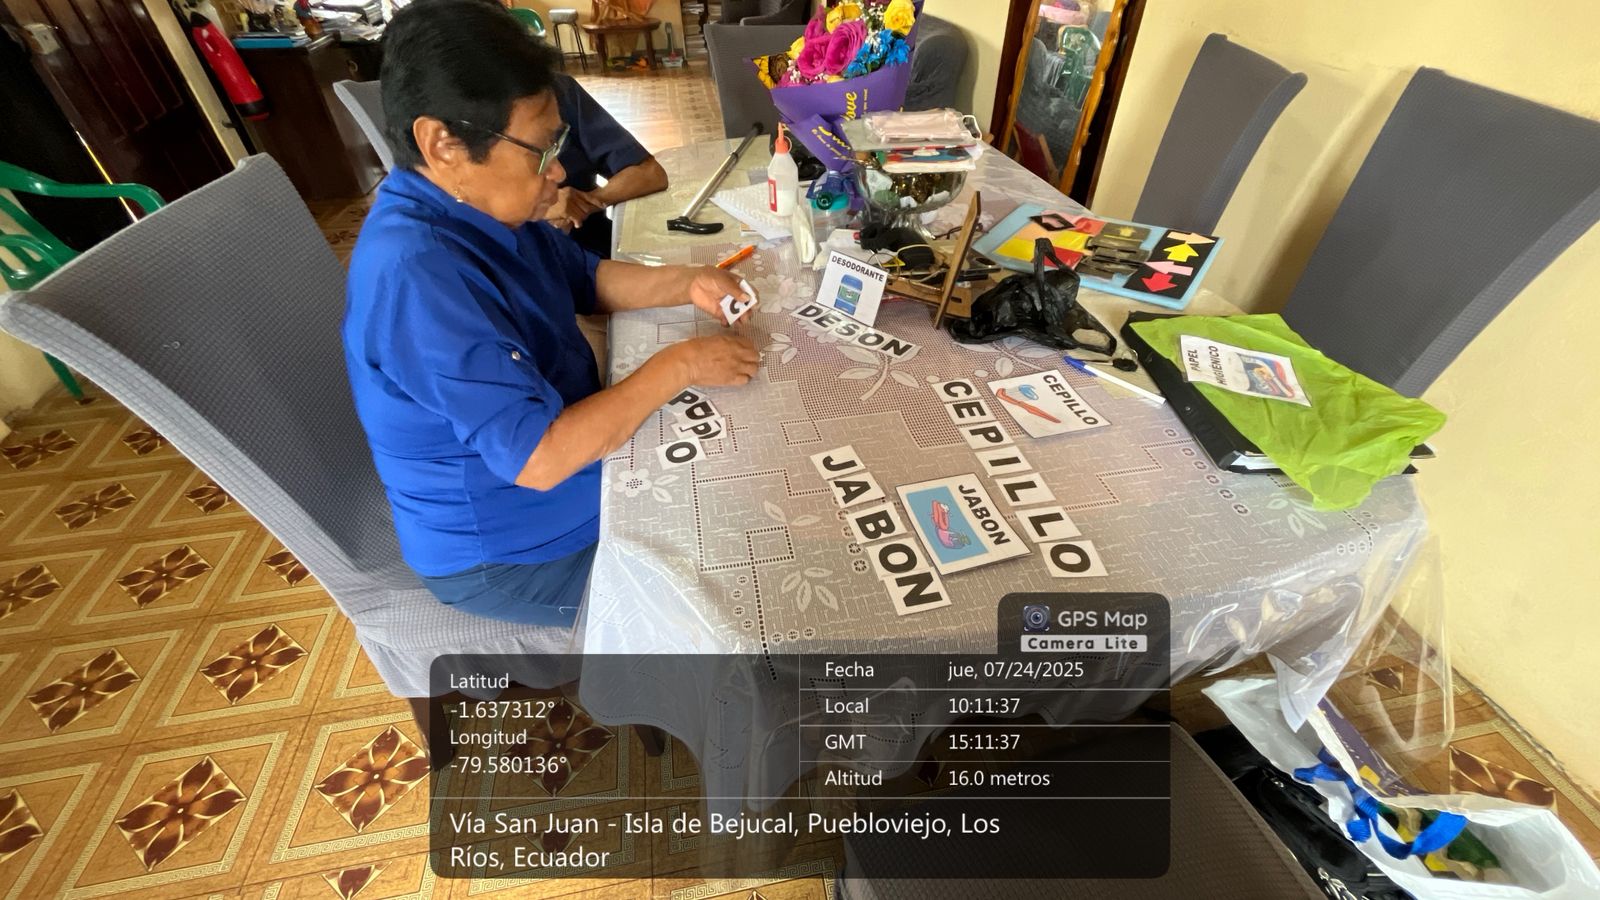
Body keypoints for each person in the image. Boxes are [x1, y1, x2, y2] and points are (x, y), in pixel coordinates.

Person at [343, 0, 759, 625]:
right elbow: (538, 458)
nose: (560, 171)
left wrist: (689, 281)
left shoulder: (483, 207)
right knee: (731, 588)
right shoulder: (417, 276)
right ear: (443, 144)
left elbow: (586, 279)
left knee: (738, 479)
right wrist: (681, 365)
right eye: (540, 150)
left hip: (568, 472)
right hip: (513, 550)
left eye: (557, 142)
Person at [543, 74, 668, 259]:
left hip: (595, 246)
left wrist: (582, 204)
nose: (559, 173)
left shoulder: (557, 89)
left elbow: (649, 173)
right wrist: (541, 211)